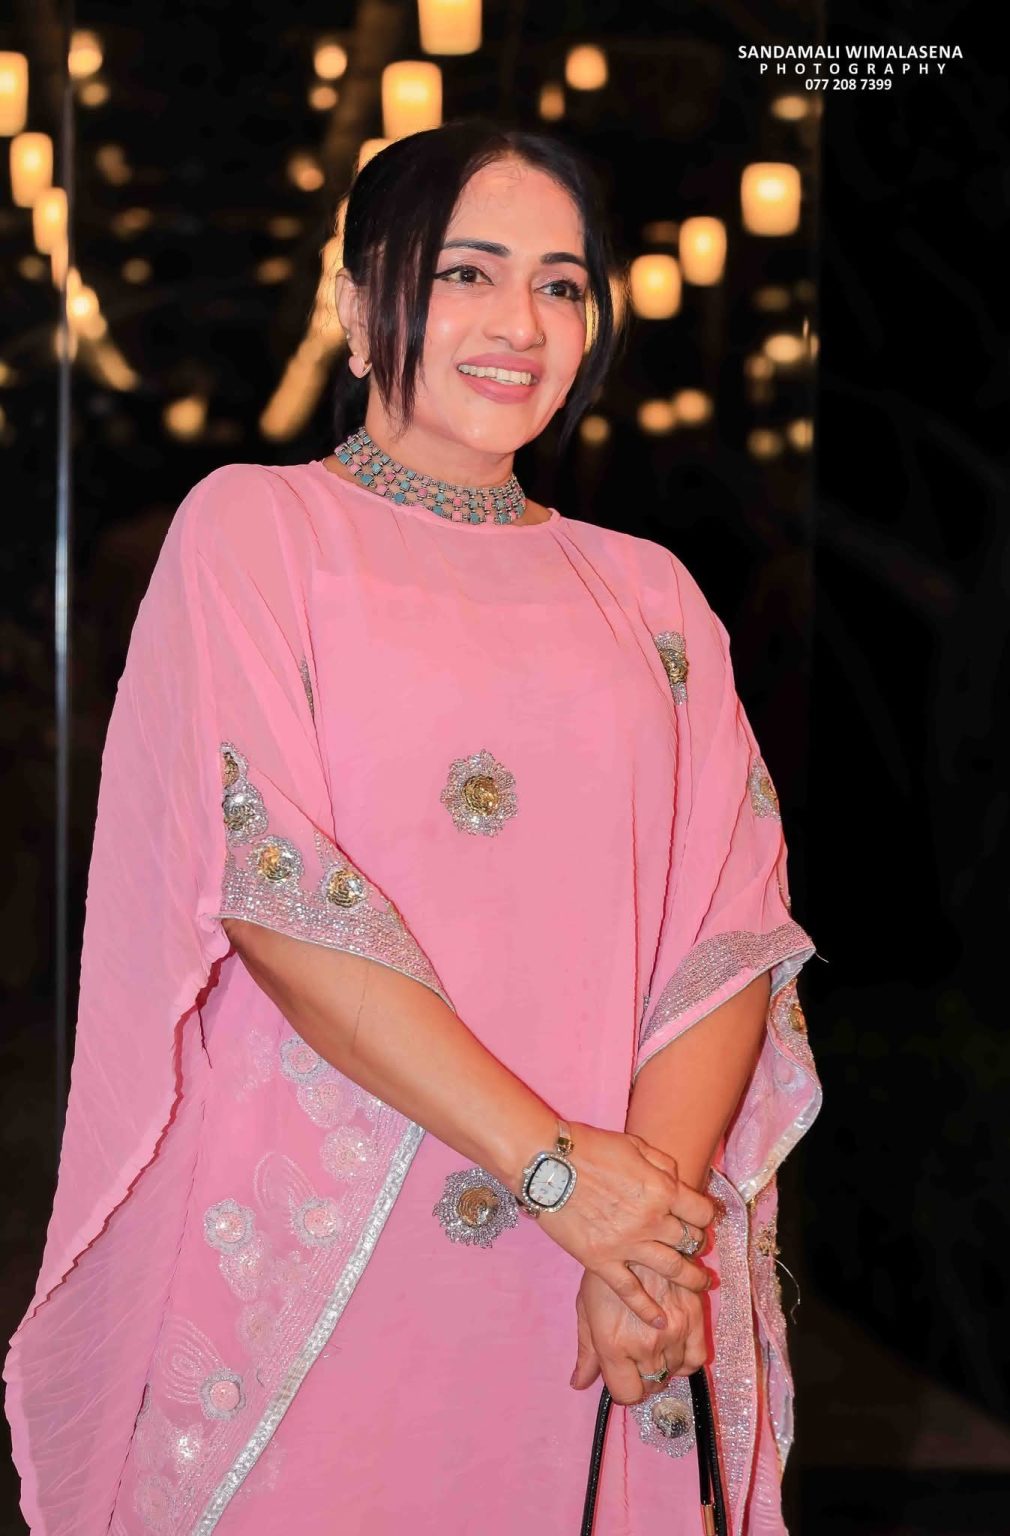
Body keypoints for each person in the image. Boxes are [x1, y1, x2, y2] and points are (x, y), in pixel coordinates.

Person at [3, 119, 821, 1536]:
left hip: (603, 1269)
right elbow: (274, 891)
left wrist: (642, 1239)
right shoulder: (257, 533)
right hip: (330, 1248)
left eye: (560, 285)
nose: (521, 325)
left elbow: (730, 931)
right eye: (466, 274)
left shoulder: (650, 593)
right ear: (355, 298)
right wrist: (556, 1174)